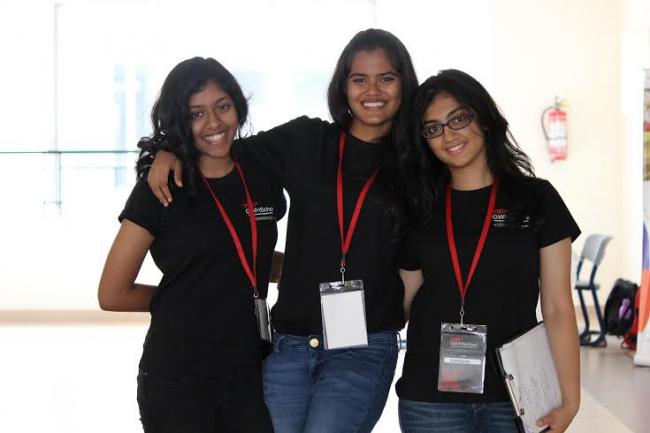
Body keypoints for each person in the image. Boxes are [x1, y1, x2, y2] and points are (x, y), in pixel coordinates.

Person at [144, 29, 419, 433]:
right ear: (343, 86)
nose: (372, 91)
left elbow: (425, 254)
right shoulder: (306, 140)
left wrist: (395, 315)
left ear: (404, 83)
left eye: (387, 78)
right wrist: (168, 148)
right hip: (290, 342)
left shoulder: (418, 163)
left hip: (362, 346)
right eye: (359, 79)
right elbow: (221, 147)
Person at [98, 57, 285, 433]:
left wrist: (310, 269)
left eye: (223, 106)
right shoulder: (162, 187)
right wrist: (187, 299)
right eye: (196, 114)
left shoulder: (259, 173)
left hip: (249, 373)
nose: (213, 123)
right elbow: (112, 293)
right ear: (179, 121)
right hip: (178, 378)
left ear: (238, 106)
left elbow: (247, 255)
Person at [397, 69, 580, 433]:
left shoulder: (536, 198)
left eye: (458, 119)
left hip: (515, 395)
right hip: (430, 399)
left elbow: (558, 306)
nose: (448, 135)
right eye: (433, 128)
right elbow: (404, 301)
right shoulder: (420, 208)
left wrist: (570, 398)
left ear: (483, 118)